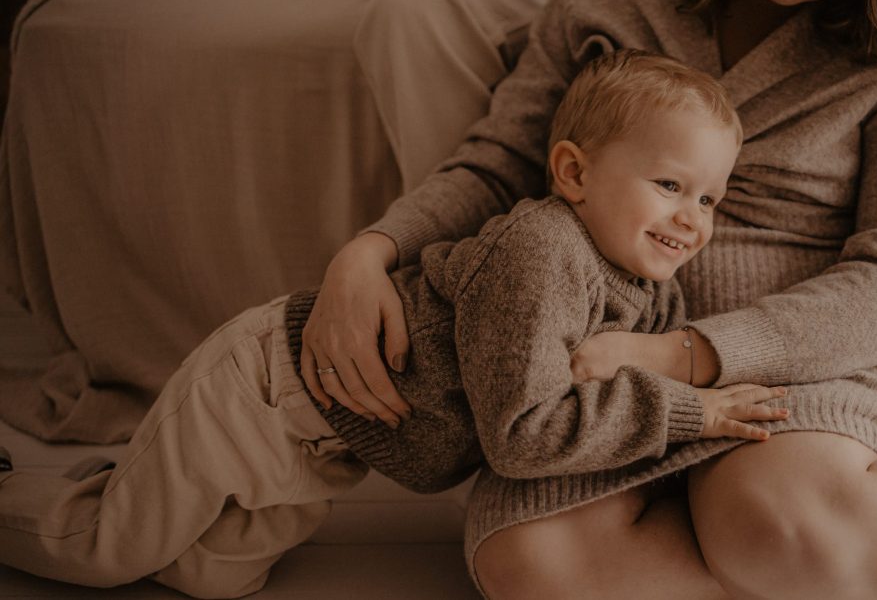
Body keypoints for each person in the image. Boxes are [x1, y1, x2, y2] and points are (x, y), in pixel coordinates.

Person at [307, 0, 877, 597]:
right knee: (528, 565)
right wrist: (372, 249)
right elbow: (499, 164)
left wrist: (687, 355)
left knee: (773, 518)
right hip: (605, 358)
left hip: (821, 354)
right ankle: (834, 574)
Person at [0, 49, 789, 598]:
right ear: (574, 173)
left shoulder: (652, 297)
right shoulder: (541, 253)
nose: (692, 218)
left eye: (709, 198)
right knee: (104, 550)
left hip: (330, 450)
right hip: (264, 393)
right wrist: (692, 411)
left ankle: (115, 489)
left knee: (216, 575)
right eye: (669, 185)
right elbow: (523, 437)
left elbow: (615, 392)